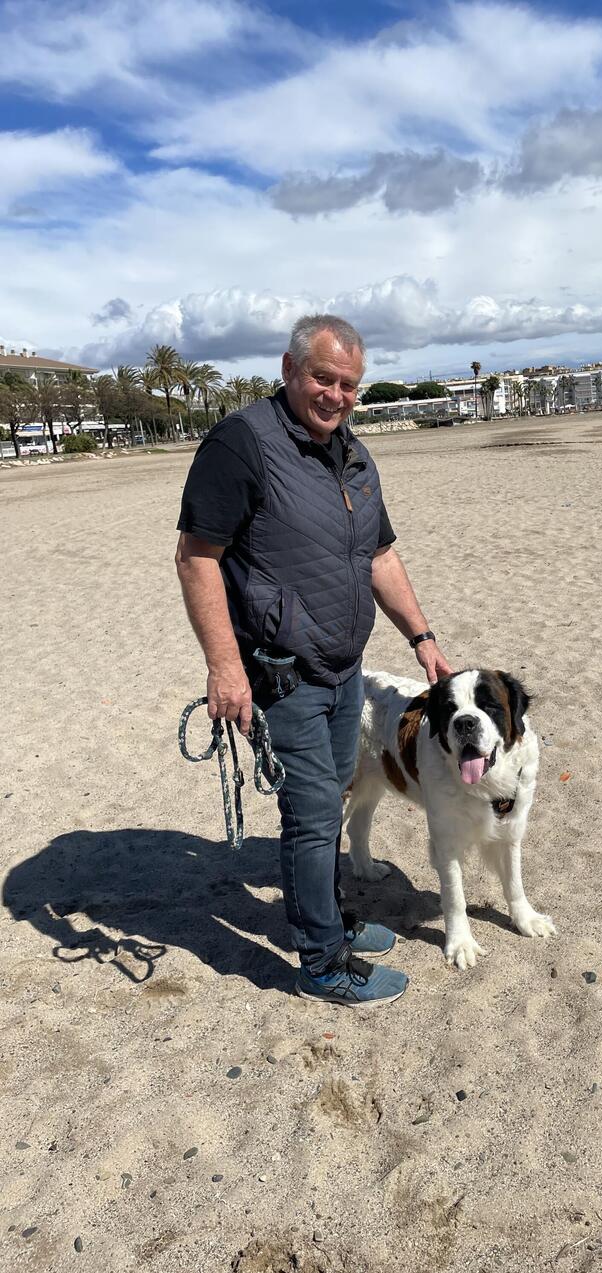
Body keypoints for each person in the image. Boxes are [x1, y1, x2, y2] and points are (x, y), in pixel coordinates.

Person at [175, 314, 453, 1007]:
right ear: (289, 369)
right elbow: (196, 557)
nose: (336, 395)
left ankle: (329, 920)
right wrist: (224, 667)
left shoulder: (354, 455)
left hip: (342, 668)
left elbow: (379, 556)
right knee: (311, 812)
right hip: (280, 672)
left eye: (349, 385)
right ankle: (323, 965)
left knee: (330, 804)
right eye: (323, 378)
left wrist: (421, 637)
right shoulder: (241, 444)